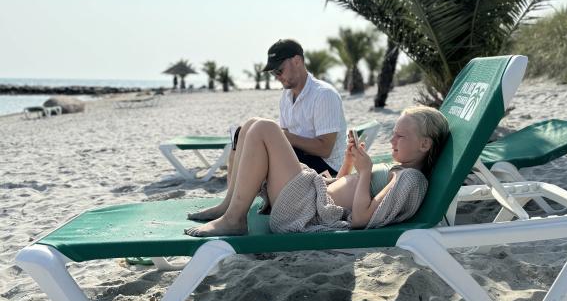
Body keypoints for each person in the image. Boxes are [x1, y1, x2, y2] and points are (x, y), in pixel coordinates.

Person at [185, 106, 449, 236]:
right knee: (253, 124)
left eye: (400, 136)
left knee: (265, 127)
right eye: (393, 134)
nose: (392, 141)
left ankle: (234, 220)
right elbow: (347, 189)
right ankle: (228, 206)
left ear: (425, 144)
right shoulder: (400, 170)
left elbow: (360, 219)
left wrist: (366, 171)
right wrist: (349, 165)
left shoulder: (412, 179)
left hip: (306, 209)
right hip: (312, 196)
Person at [262, 39, 346, 176]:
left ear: (297, 61)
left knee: (265, 148)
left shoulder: (324, 95)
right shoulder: (286, 96)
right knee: (245, 142)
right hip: (302, 158)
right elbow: (286, 134)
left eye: (279, 70)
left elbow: (325, 149)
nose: (277, 77)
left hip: (329, 168)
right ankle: (235, 196)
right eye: (273, 73)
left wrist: (285, 137)